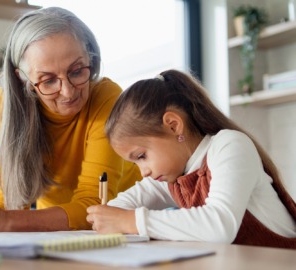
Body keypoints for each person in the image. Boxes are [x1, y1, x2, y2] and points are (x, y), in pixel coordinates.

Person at [0, 7, 141, 232]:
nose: (68, 92)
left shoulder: (106, 98)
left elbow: (94, 203)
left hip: (126, 227)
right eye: (48, 80)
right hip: (56, 233)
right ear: (23, 78)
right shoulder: (6, 105)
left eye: (77, 71)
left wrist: (2, 220)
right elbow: (7, 203)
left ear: (91, 56)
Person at [86, 69, 296, 249]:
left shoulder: (229, 145)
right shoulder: (173, 177)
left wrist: (130, 221)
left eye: (142, 156)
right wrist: (106, 217)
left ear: (173, 125)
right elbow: (119, 208)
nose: (144, 171)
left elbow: (219, 225)